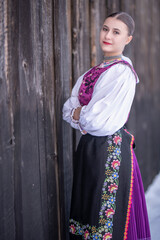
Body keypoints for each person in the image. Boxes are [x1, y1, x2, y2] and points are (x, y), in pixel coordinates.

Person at [63, 12, 151, 240]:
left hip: (110, 153)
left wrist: (81, 113)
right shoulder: (92, 73)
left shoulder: (122, 73)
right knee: (85, 220)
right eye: (105, 28)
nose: (107, 35)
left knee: (104, 225)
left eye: (116, 32)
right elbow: (67, 110)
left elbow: (96, 121)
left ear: (128, 39)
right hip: (91, 151)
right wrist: (83, 113)